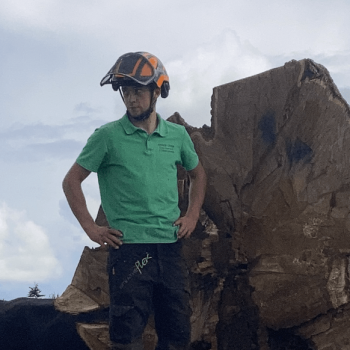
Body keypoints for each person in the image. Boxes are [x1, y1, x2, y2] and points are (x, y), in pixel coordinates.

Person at [62, 52, 206, 350]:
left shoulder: (177, 136)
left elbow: (198, 175)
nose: (130, 98)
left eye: (138, 91)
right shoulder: (107, 137)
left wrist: (192, 216)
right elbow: (71, 181)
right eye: (125, 92)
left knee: (178, 334)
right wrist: (91, 227)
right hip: (128, 250)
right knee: (126, 338)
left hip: (170, 248)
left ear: (157, 91)